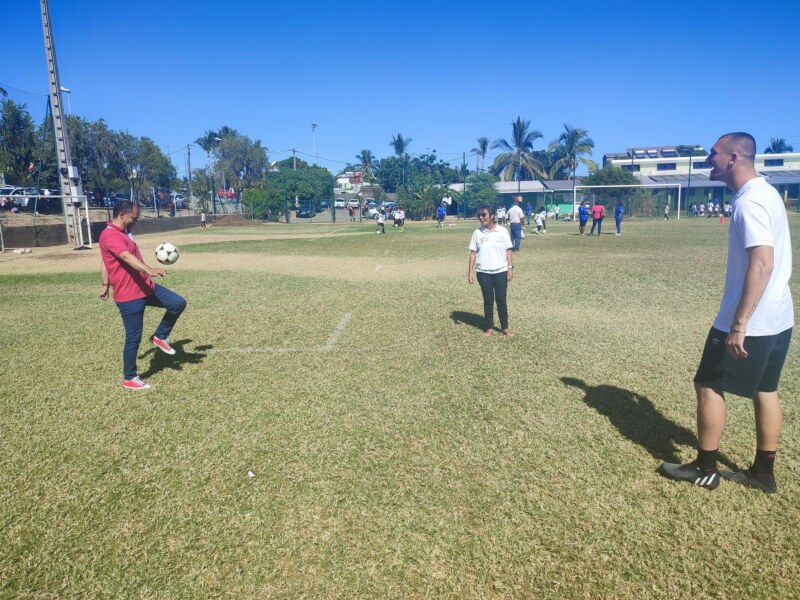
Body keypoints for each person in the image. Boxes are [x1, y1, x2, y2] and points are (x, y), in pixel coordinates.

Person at [658, 132, 793, 493]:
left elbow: (762, 263)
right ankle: (763, 473)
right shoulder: (768, 193)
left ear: (733, 158)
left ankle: (705, 468)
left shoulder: (750, 202)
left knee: (708, 383)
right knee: (765, 388)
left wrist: (739, 323)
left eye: (713, 155)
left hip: (752, 320)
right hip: (780, 317)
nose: (708, 162)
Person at [99, 201, 187, 390]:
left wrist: (105, 284)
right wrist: (148, 269)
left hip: (145, 287)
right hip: (129, 295)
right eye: (134, 218)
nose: (136, 221)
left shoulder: (123, 232)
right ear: (122, 215)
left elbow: (105, 261)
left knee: (177, 303)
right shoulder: (110, 235)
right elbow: (124, 257)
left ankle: (159, 336)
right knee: (133, 337)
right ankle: (129, 377)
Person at [468, 205, 514, 337]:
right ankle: (489, 327)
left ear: (492, 216)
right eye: (479, 216)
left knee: (501, 300)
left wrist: (510, 268)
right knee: (488, 300)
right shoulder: (477, 233)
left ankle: (504, 327)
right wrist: (470, 272)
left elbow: (508, 250)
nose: (481, 218)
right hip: (483, 272)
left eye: (484, 215)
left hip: (500, 271)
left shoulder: (502, 231)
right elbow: (473, 253)